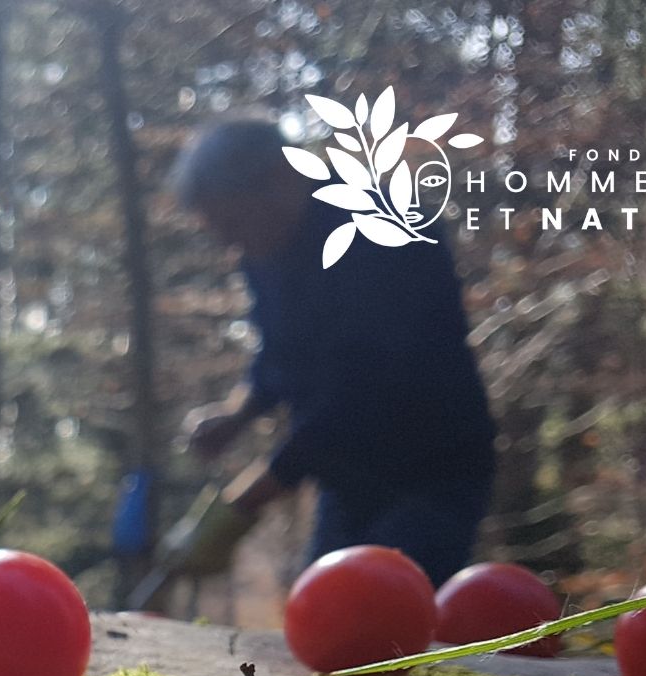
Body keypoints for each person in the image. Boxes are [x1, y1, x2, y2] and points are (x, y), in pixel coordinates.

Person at [169, 117, 496, 585]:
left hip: (431, 470)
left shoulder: (390, 232)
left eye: (235, 224)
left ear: (282, 180)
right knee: (323, 621)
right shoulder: (265, 252)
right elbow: (278, 354)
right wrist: (236, 413)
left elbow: (363, 391)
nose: (231, 247)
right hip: (347, 481)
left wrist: (246, 501)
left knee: (379, 619)